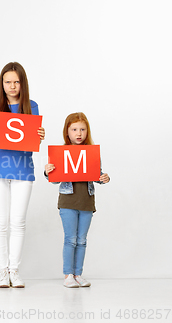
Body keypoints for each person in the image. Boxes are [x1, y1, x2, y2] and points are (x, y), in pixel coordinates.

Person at [0, 62, 45, 288]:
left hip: (23, 167)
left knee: (18, 221)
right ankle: (2, 271)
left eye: (16, 81)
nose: (12, 86)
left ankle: (14, 270)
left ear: (22, 83)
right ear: (2, 83)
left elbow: (32, 138)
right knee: (0, 222)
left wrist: (39, 135)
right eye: (8, 82)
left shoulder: (31, 106)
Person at [44, 112, 110, 288]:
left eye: (82, 129)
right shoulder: (61, 153)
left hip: (86, 202)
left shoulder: (91, 152)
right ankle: (68, 275)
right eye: (74, 129)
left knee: (82, 240)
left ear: (87, 131)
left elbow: (96, 175)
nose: (78, 133)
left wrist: (103, 177)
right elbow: (55, 179)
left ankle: (78, 274)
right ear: (68, 132)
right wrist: (47, 171)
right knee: (70, 239)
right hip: (67, 202)